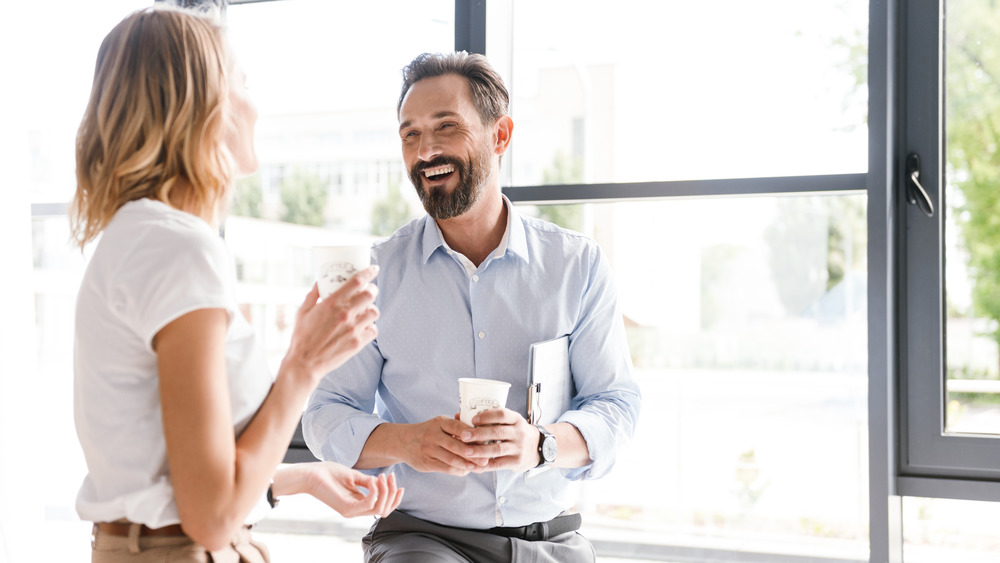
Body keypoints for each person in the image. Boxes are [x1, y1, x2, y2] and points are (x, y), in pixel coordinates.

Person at [70, 6, 402, 562]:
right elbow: (210, 517)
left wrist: (301, 477)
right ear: (202, 108)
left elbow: (181, 478)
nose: (255, 104)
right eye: (242, 83)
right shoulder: (180, 249)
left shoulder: (140, 236)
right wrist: (303, 364)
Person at [303, 51, 641, 563]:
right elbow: (324, 415)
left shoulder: (577, 265)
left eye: (446, 127)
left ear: (500, 136)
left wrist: (542, 444)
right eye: (410, 134)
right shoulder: (377, 274)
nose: (425, 150)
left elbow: (616, 402)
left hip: (550, 541)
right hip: (422, 538)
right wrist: (403, 441)